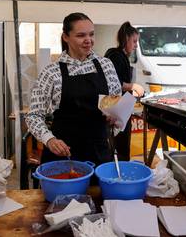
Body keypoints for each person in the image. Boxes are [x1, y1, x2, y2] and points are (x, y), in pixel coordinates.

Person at [26, 12, 122, 167]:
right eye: (80, 35)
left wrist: (115, 118)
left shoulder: (106, 65)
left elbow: (116, 107)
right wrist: (49, 140)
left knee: (98, 192)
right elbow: (34, 116)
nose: (88, 41)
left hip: (99, 154)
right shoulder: (52, 72)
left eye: (91, 34)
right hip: (63, 155)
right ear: (65, 37)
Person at [104, 21, 145, 160]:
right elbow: (113, 83)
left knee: (121, 145)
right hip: (115, 109)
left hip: (121, 107)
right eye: (134, 41)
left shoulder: (120, 56)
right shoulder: (115, 55)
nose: (136, 45)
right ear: (126, 39)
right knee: (119, 147)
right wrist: (133, 86)